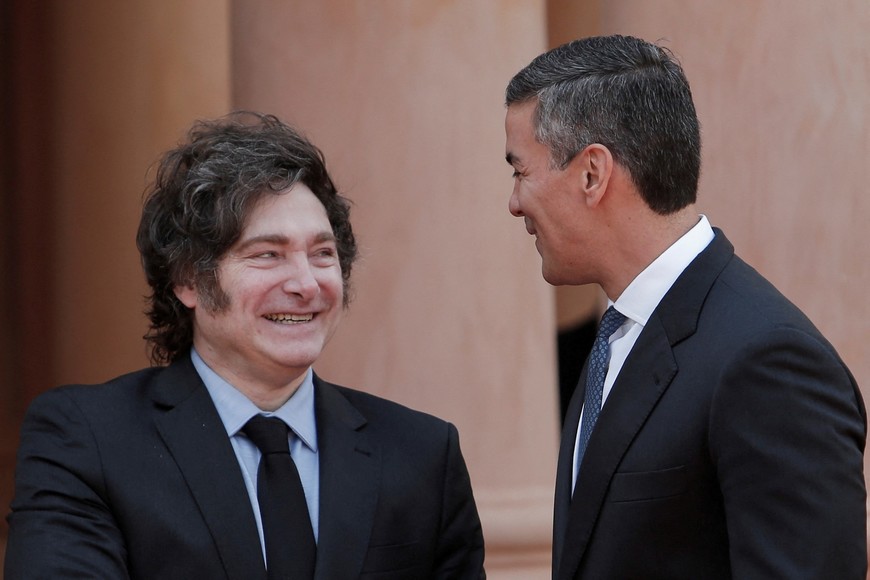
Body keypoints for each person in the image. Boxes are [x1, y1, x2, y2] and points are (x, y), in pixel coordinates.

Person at [5, 112, 486, 579]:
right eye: (267, 254)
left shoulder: (421, 452)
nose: (306, 284)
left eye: (322, 254)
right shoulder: (87, 439)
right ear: (188, 279)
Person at [504, 35, 866, 579]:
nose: (514, 203)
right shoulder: (618, 337)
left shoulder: (768, 361)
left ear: (591, 174)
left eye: (520, 170)